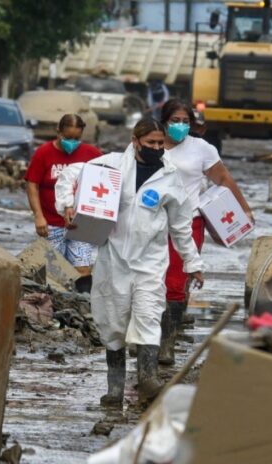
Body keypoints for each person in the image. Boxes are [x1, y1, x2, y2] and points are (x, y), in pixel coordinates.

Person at [55, 119, 205, 406]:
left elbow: (181, 226)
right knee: (113, 322)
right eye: (151, 143)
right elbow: (69, 174)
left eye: (161, 144)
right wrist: (67, 204)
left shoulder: (170, 177)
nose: (158, 149)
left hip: (150, 261)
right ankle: (115, 389)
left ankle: (148, 379)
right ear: (135, 141)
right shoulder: (111, 166)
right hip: (113, 259)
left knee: (149, 315)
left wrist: (192, 262)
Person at [157, 99, 254, 365]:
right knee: (148, 282)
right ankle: (145, 338)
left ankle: (167, 342)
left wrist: (244, 209)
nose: (180, 126)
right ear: (164, 121)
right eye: (175, 121)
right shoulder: (151, 144)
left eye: (185, 121)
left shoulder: (201, 148)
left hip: (189, 223)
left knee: (176, 283)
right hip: (151, 223)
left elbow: (223, 179)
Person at [25, 114, 103, 291]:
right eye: (67, 138)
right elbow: (32, 186)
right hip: (51, 224)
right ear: (58, 132)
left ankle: (84, 308)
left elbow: (105, 182)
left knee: (83, 268)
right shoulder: (43, 153)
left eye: (77, 139)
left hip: (80, 225)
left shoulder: (91, 154)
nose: (72, 142)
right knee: (53, 272)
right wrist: (38, 216)